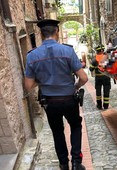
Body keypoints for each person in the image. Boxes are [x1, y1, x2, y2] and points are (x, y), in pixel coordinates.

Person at [24, 19, 88, 170]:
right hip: (69, 99)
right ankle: (77, 163)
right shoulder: (67, 51)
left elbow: (28, 86)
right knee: (75, 126)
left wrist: (42, 80)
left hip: (49, 102)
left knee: (57, 131)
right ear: (57, 32)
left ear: (41, 34)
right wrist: (76, 86)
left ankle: (64, 164)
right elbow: (84, 78)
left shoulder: (32, 56)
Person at [89, 45, 111, 110]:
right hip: (106, 77)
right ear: (103, 50)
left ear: (97, 51)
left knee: (98, 92)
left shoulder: (95, 58)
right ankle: (106, 105)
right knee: (106, 91)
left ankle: (99, 105)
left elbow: (91, 69)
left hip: (98, 78)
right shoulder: (107, 57)